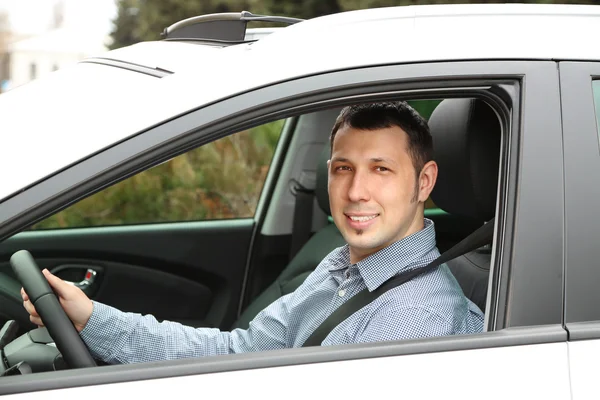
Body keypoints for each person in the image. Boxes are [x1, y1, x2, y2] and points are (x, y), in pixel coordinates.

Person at [22, 101, 484, 364]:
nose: (356, 191)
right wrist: (91, 319)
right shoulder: (343, 263)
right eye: (343, 168)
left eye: (381, 169)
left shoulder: (417, 318)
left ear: (424, 182)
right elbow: (238, 350)